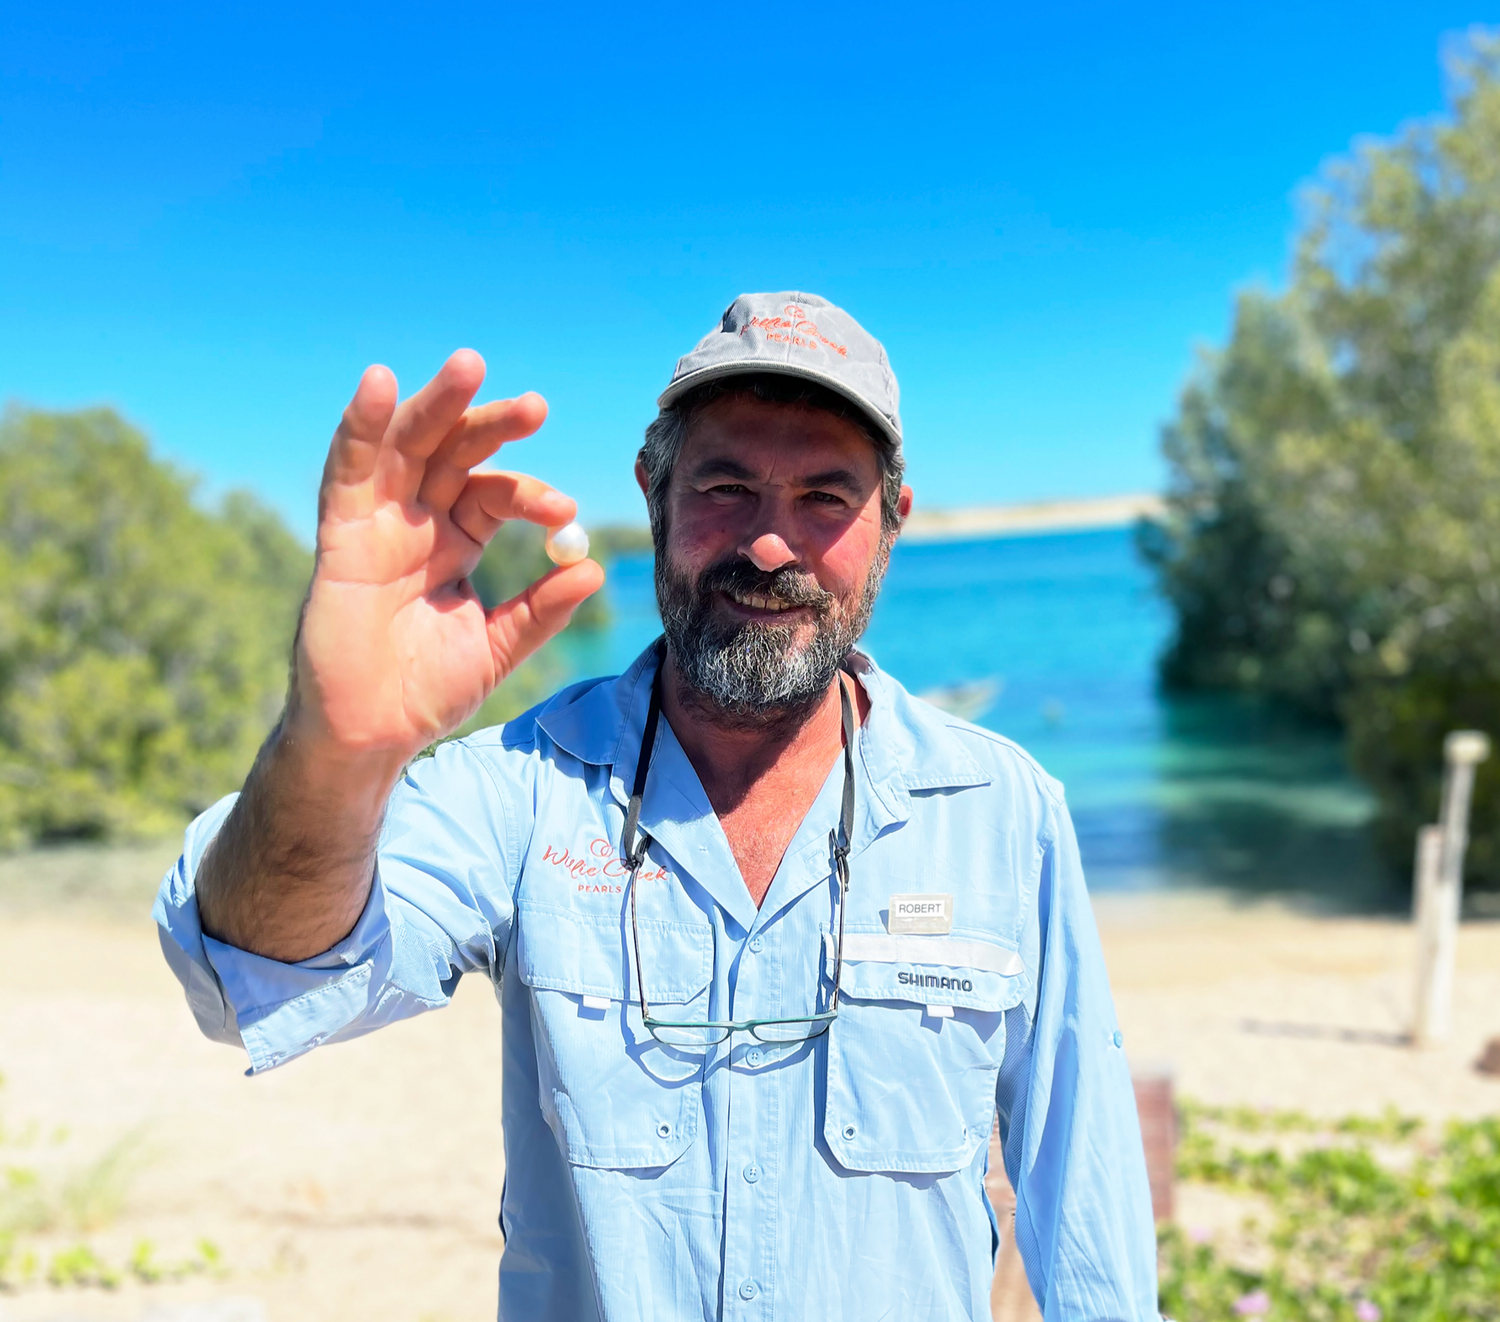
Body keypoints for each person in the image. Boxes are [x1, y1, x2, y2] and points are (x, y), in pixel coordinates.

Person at [155, 292, 1160, 1321]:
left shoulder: (1002, 810)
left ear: (894, 521)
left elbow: (1089, 1220)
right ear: (654, 493)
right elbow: (248, 974)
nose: (771, 545)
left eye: (826, 497)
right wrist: (337, 751)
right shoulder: (525, 785)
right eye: (726, 486)